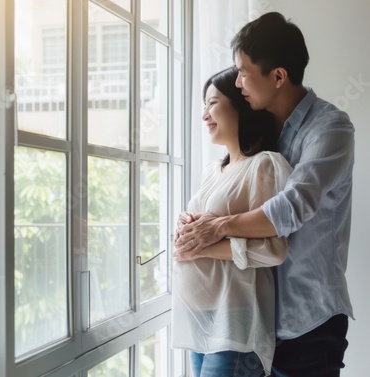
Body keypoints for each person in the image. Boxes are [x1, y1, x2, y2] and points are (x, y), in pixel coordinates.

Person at [175, 12, 355, 377]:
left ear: (278, 76)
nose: (238, 81)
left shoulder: (330, 129)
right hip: (256, 322)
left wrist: (216, 227)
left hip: (308, 322)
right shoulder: (261, 137)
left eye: (244, 71)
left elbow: (291, 209)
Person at [171, 66, 293, 377]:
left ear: (240, 104)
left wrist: (201, 247)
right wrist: (187, 225)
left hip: (235, 323)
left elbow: (274, 250)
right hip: (199, 319)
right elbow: (204, 228)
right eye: (203, 106)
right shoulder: (213, 170)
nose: (205, 115)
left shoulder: (264, 165)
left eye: (212, 103)